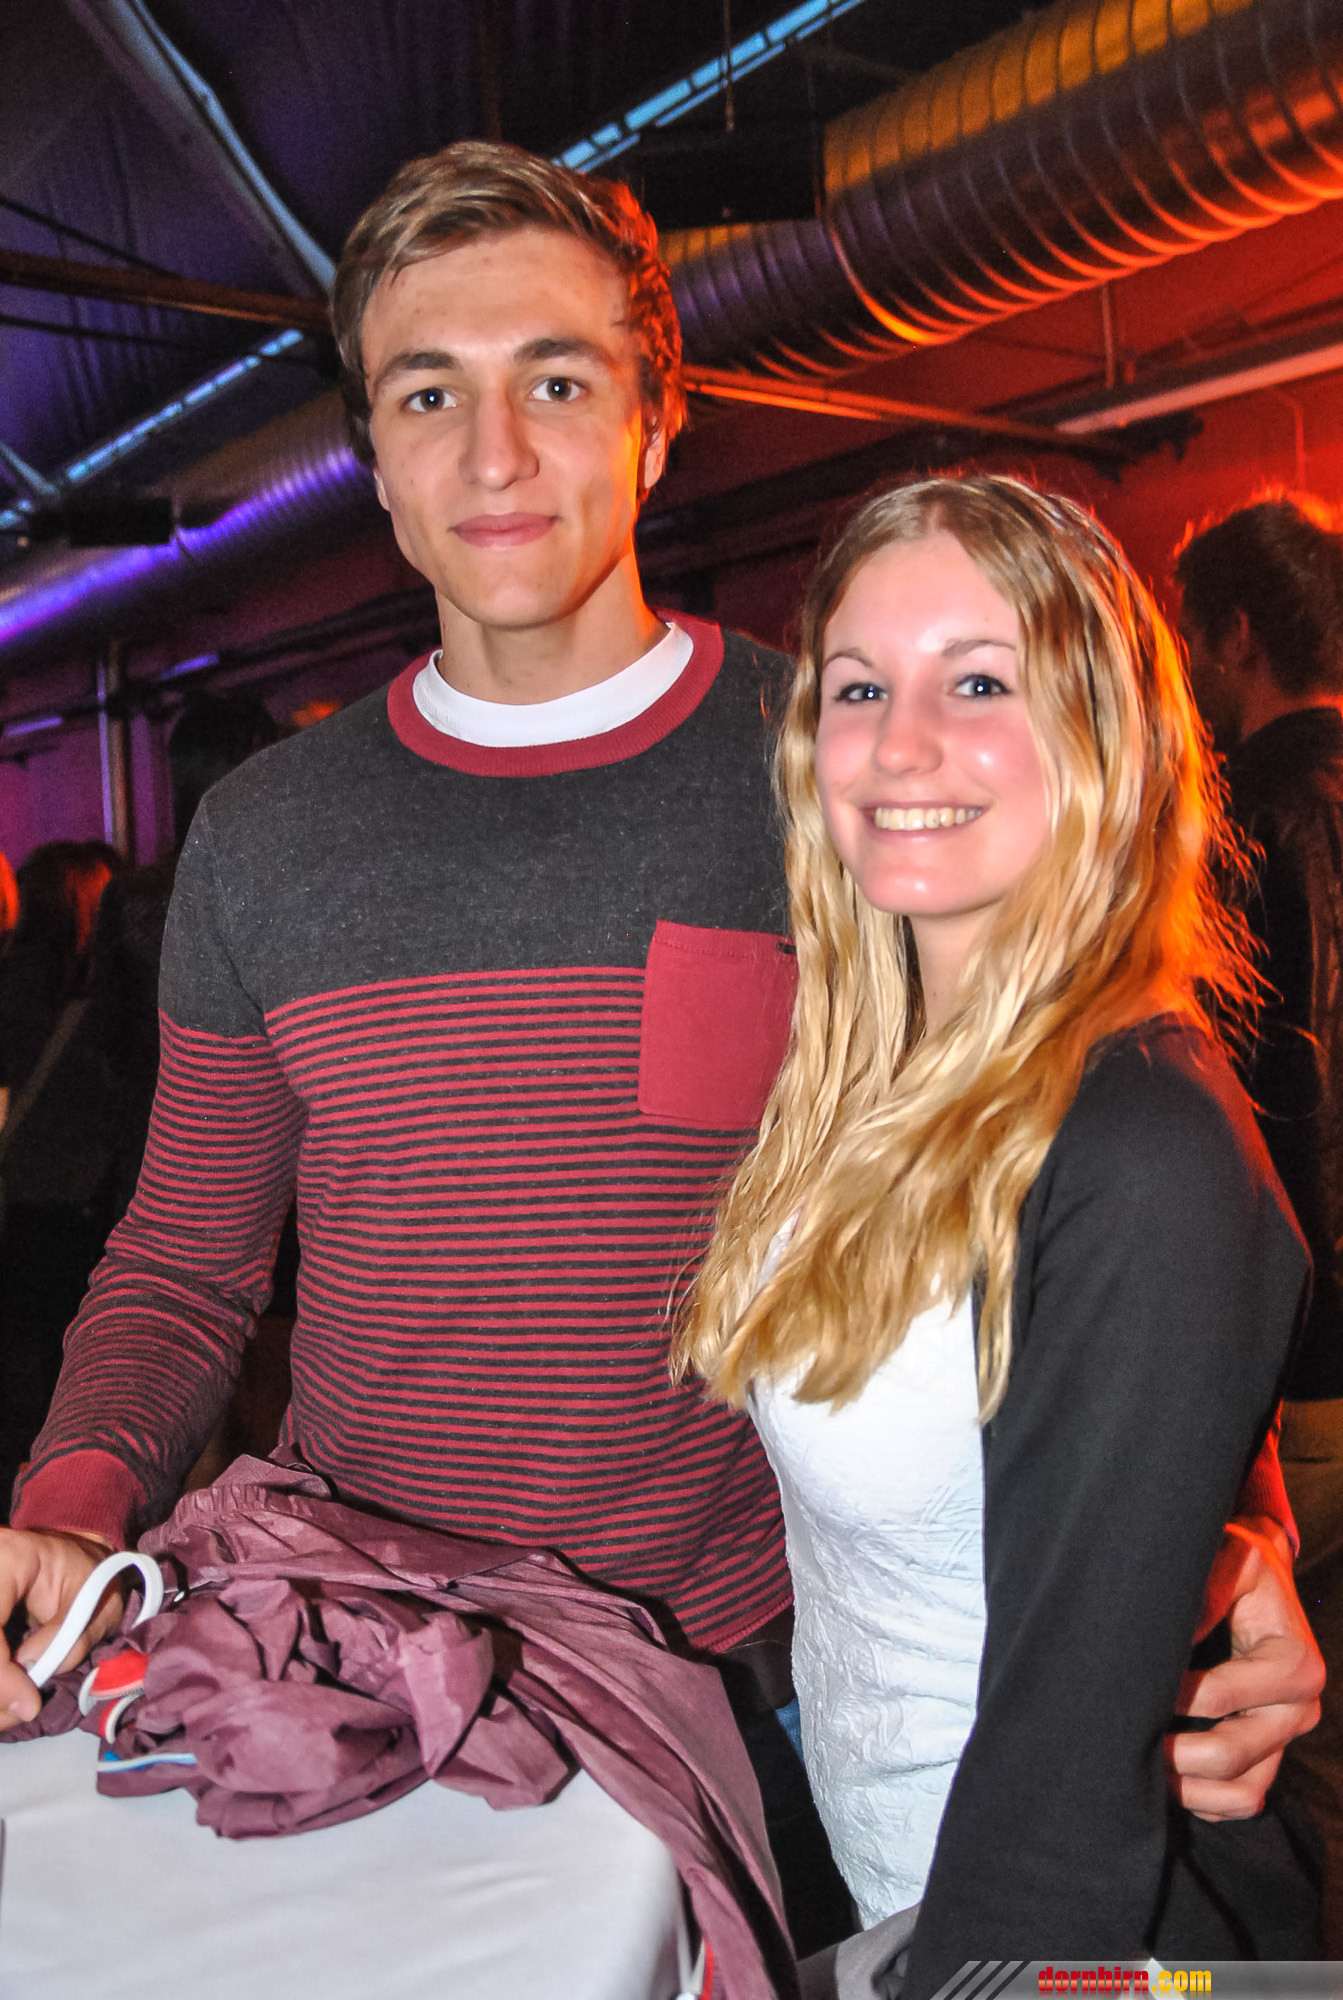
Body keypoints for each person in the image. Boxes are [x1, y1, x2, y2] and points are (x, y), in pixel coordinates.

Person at [0, 145, 1320, 1939]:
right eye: (426, 395)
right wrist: (73, 1508)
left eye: (555, 383)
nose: (494, 456)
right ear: (370, 449)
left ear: (655, 418)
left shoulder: (844, 773)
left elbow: (1074, 1172)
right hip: (369, 1673)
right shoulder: (264, 839)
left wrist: (1229, 1534)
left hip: (741, 1687)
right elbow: (181, 1258)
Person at [677, 474, 1320, 1982]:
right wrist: (1232, 1534)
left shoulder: (1138, 1140)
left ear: (1100, 735)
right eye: (858, 687)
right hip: (891, 1881)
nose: (899, 743)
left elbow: (1057, 1822)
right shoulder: (872, 1074)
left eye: (976, 681)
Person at [1177, 495, 1343, 1950]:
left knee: (1274, 1741)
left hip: (1296, 1366)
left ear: (1233, 634)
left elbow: (1221, 1119)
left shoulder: (1231, 818)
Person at [0, 840, 123, 1512]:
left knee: (25, 1373)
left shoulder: (10, 989)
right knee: (82, 1376)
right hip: (87, 1212)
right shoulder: (109, 1005)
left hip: (20, 1208)